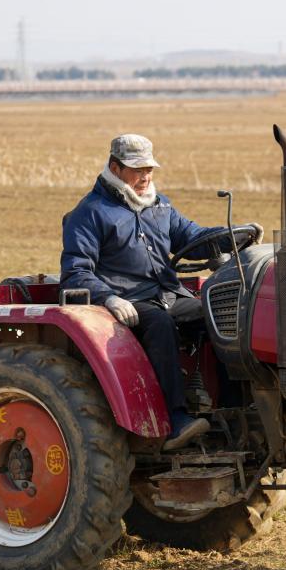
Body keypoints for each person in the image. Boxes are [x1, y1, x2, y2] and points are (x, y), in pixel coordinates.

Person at [61, 134, 262, 450]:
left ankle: (234, 412)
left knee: (224, 318)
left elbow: (192, 237)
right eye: (137, 170)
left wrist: (232, 236)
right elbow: (76, 273)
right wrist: (109, 298)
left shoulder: (160, 206)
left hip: (169, 295)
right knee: (159, 324)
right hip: (128, 301)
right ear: (115, 167)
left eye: (149, 170)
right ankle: (175, 419)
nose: (145, 178)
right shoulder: (90, 213)